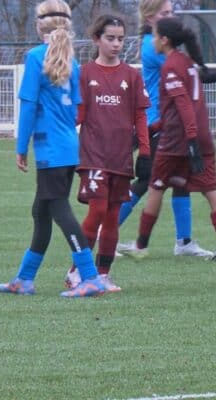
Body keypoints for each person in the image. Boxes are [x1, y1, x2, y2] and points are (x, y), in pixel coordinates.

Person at [116, 0, 216, 258]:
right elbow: (192, 82)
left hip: (172, 124)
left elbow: (190, 83)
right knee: (147, 181)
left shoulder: (173, 54)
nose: (170, 16)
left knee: (179, 183)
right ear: (150, 17)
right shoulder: (153, 47)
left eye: (171, 12)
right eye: (165, 13)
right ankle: (105, 232)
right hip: (160, 120)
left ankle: (183, 241)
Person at [0, 0, 106, 298]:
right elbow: (78, 110)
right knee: (41, 211)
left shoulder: (35, 57)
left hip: (50, 149)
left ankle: (90, 276)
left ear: (39, 25)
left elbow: (29, 106)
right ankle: (24, 279)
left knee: (58, 209)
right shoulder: (72, 61)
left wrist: (21, 147)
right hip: (69, 146)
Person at [65, 15, 150, 293]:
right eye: (110, 38)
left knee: (113, 217)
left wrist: (145, 153)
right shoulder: (85, 73)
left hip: (121, 157)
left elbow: (140, 115)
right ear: (96, 39)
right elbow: (77, 116)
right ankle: (77, 271)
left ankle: (103, 274)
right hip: (93, 156)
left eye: (121, 38)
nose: (116, 44)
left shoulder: (132, 75)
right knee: (98, 210)